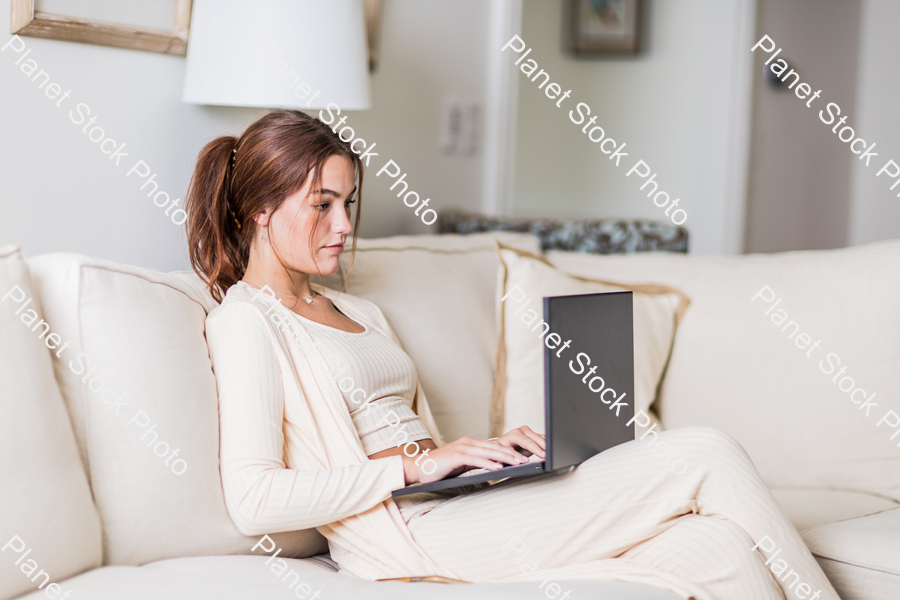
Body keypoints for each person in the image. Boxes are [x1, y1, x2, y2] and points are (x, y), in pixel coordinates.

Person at [185, 109, 839, 600]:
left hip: (461, 506)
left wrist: (492, 456)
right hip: (403, 534)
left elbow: (418, 445)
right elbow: (255, 499)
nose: (346, 226)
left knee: (715, 546)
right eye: (322, 205)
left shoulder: (360, 311)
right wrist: (414, 469)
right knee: (706, 453)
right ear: (260, 210)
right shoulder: (246, 322)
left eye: (348, 202)